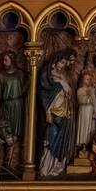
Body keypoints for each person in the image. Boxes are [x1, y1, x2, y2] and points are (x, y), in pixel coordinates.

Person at [37, 49, 76, 177]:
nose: (63, 65)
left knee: (62, 141)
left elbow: (70, 93)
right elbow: (44, 94)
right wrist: (47, 111)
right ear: (56, 61)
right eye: (62, 62)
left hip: (65, 114)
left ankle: (58, 167)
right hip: (52, 114)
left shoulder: (65, 76)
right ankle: (46, 168)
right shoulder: (47, 75)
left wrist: (64, 83)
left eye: (65, 63)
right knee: (51, 139)